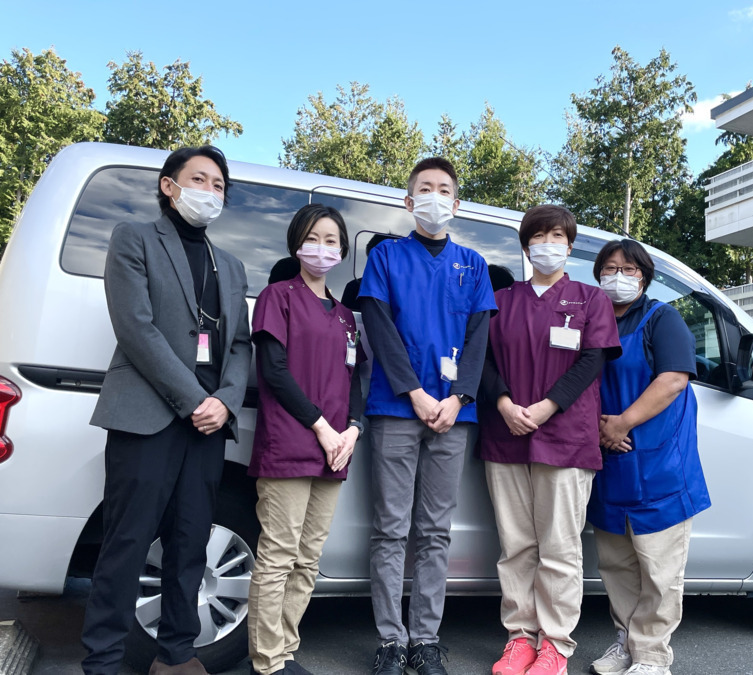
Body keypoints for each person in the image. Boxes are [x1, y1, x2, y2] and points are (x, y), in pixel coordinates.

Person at [82, 146, 252, 675]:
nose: (210, 191)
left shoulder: (231, 264)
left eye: (219, 184)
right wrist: (194, 399)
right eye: (198, 179)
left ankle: (177, 654)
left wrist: (224, 402)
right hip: (149, 416)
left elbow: (241, 346)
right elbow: (136, 327)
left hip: (208, 427)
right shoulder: (134, 238)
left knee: (190, 543)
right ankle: (103, 662)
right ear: (168, 186)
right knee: (127, 544)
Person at [358, 157, 497, 675]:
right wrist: (415, 392)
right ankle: (390, 641)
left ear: (456, 204)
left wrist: (459, 398)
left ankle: (425, 640)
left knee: (436, 531)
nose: (435, 197)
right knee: (391, 529)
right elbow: (378, 327)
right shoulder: (387, 258)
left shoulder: (474, 264)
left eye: (444, 190)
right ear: (409, 200)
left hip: (454, 414)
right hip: (397, 408)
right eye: (425, 189)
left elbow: (480, 338)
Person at [479, 205, 621, 675]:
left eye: (557, 235)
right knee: (516, 546)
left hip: (564, 437)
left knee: (559, 548)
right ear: (526, 246)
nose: (547, 243)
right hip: (507, 435)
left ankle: (555, 646)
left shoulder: (590, 299)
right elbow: (482, 361)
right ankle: (520, 638)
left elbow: (592, 361)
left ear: (569, 243)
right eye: (538, 235)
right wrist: (503, 403)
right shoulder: (500, 300)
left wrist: (546, 406)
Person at [247, 204, 366, 675]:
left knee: (307, 560)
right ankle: (267, 660)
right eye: (314, 238)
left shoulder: (345, 317)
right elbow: (273, 372)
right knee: (277, 556)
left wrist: (353, 429)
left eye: (333, 240)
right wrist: (321, 426)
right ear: (297, 241)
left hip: (335, 450)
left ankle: (287, 648)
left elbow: (355, 380)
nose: (323, 247)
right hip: (292, 444)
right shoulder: (277, 297)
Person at [586, 239, 710, 675]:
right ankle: (626, 643)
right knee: (617, 566)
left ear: (644, 276)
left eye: (629, 269)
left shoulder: (662, 318)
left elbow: (674, 379)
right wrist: (601, 428)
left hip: (659, 464)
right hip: (608, 463)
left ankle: (654, 657)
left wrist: (621, 424)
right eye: (610, 268)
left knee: (659, 569)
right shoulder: (591, 320)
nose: (618, 276)